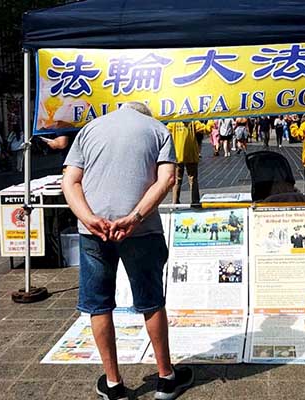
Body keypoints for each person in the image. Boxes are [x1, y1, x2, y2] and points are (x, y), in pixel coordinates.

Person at [62, 101, 193, 400]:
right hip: (142, 230)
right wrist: (135, 217)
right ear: (144, 114)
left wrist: (88, 218)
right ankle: (166, 378)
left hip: (94, 230)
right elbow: (167, 179)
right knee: (151, 301)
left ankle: (113, 384)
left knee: (99, 304)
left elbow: (70, 180)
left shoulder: (90, 128)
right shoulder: (158, 130)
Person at [167, 120, 205, 204]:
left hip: (178, 155)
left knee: (177, 180)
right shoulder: (193, 121)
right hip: (191, 155)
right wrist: (211, 121)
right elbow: (205, 129)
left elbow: (166, 130)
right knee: (193, 179)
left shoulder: (174, 122)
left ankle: (175, 202)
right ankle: (195, 201)